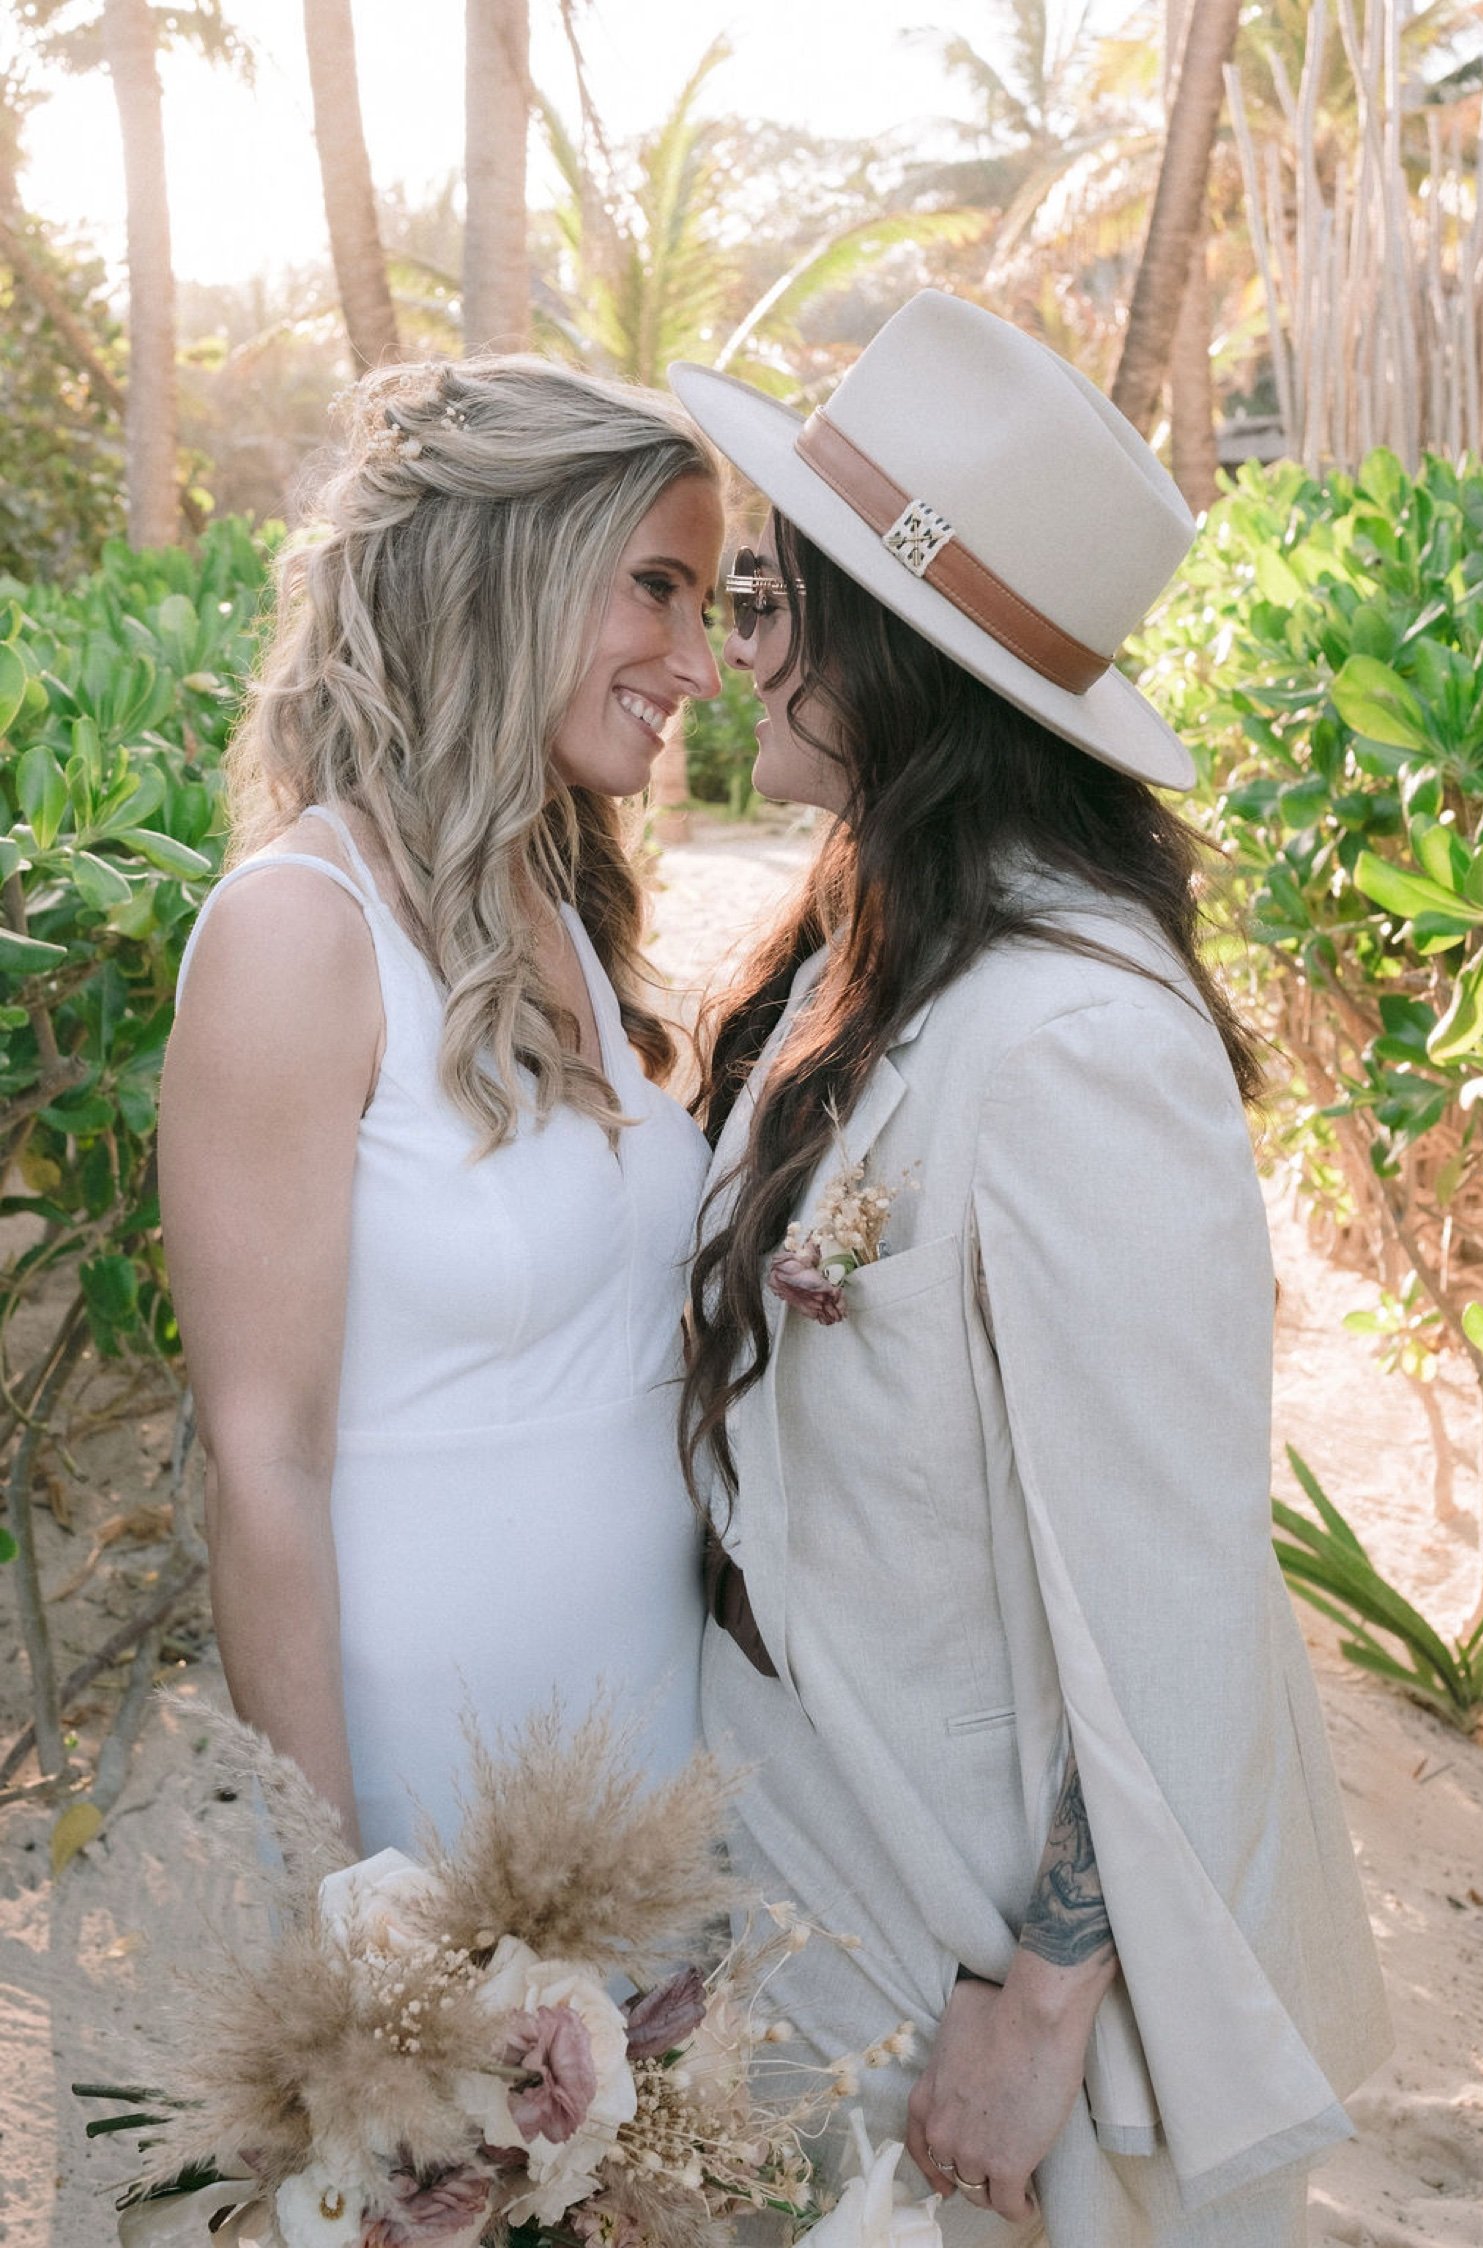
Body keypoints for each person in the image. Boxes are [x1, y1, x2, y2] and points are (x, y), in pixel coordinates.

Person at [667, 292, 1391, 2248]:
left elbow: (1172, 1591)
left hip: (966, 1947)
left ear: (882, 652)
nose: (733, 648)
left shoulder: (1081, 1041)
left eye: (762, 595)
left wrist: (1045, 1993)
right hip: (811, 1865)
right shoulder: (864, 939)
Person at [158, 355, 723, 1857]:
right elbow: (262, 1457)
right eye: (657, 588)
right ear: (507, 577)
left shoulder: (557, 894)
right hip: (434, 1772)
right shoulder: (298, 931)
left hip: (654, 1750)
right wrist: (348, 1900)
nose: (700, 662)